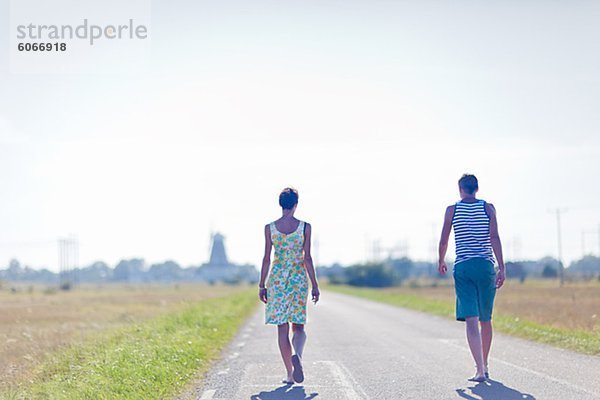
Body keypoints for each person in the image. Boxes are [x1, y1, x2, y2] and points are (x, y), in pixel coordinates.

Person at [438, 174, 506, 382]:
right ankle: (485, 365)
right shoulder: (488, 208)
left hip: (464, 268)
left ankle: (479, 370)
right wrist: (501, 267)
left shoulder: (453, 210)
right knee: (486, 319)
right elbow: (494, 237)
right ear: (477, 188)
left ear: (460, 189)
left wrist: (441, 260)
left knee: (471, 319)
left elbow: (444, 240)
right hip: (485, 266)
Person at [258, 187, 320, 385]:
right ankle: (298, 355)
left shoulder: (270, 228)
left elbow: (266, 258)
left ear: (280, 204)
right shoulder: (305, 227)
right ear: (296, 204)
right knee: (299, 326)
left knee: (282, 328)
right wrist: (315, 285)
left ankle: (290, 374)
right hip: (298, 280)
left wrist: (261, 284)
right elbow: (308, 258)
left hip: (276, 280)